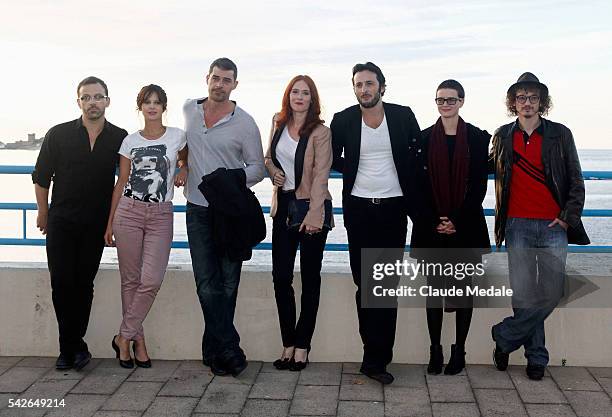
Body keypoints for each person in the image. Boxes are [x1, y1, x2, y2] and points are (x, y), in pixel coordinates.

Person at [490, 72, 590, 380]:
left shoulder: (560, 134)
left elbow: (575, 179)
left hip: (553, 226)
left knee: (551, 292)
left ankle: (505, 337)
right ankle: (536, 358)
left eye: (533, 98)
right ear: (513, 102)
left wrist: (567, 216)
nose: (527, 103)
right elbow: (489, 168)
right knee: (523, 294)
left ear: (542, 103)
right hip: (516, 224)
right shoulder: (503, 135)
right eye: (521, 98)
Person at [330, 62, 422, 384]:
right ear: (353, 88)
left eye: (370, 83)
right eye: (358, 84)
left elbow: (418, 154)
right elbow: (330, 155)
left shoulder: (402, 115)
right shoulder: (343, 120)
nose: (364, 89)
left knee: (385, 287)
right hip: (358, 210)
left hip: (394, 209)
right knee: (364, 285)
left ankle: (378, 358)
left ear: (382, 86)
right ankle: (372, 353)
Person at [32, 76, 128, 370]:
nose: (92, 102)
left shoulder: (120, 137)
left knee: (84, 285)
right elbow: (41, 176)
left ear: (107, 101)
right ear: (78, 102)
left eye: (98, 97)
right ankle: (69, 348)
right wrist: (43, 211)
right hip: (61, 221)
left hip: (95, 223)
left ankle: (75, 346)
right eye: (86, 97)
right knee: (61, 283)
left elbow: (124, 181)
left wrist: (111, 222)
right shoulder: (58, 134)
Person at [184, 57, 265, 377]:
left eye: (226, 80)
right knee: (207, 284)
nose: (220, 84)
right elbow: (181, 145)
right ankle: (229, 347)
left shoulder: (245, 122)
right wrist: (180, 164)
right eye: (215, 78)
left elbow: (257, 168)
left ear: (235, 84)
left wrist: (228, 180)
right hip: (197, 209)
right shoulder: (190, 109)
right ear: (207, 78)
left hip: (230, 212)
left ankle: (215, 352)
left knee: (228, 283)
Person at [410, 79, 491, 375]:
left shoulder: (479, 139)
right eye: (440, 100)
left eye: (451, 100)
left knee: (464, 293)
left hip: (466, 227)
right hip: (431, 227)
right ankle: (435, 350)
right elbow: (416, 188)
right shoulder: (421, 139)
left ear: (462, 101)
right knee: (433, 293)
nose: (446, 105)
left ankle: (460, 351)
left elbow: (479, 187)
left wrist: (456, 219)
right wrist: (435, 221)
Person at [104, 84, 187, 368]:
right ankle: (138, 342)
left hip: (161, 214)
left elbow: (186, 156)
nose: (152, 107)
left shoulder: (177, 136)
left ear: (164, 107)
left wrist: (184, 167)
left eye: (157, 102)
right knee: (130, 281)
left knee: (150, 280)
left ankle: (122, 337)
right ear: (140, 108)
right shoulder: (130, 141)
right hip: (128, 212)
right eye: (147, 102)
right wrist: (109, 224)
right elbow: (121, 182)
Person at [264, 75, 333, 371]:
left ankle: (303, 346)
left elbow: (321, 175)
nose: (300, 97)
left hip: (311, 208)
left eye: (306, 93)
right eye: (295, 92)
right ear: (288, 95)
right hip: (284, 209)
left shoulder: (320, 131)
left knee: (310, 279)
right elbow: (268, 156)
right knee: (281, 278)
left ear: (312, 99)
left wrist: (315, 215)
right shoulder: (277, 122)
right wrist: (272, 171)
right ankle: (287, 343)